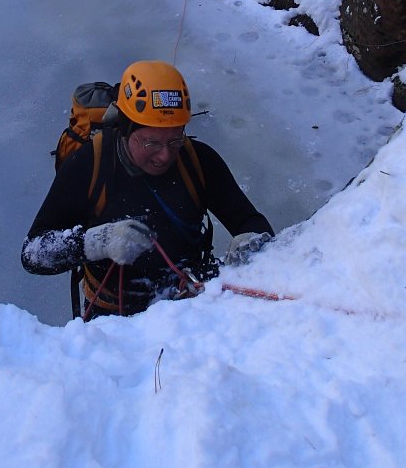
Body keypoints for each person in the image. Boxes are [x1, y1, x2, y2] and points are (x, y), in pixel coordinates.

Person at [21, 60, 274, 318]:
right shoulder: (89, 165)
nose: (164, 156)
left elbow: (247, 219)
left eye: (175, 139)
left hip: (190, 306)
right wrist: (97, 242)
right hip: (115, 318)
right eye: (151, 142)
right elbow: (33, 253)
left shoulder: (197, 161)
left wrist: (250, 237)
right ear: (125, 129)